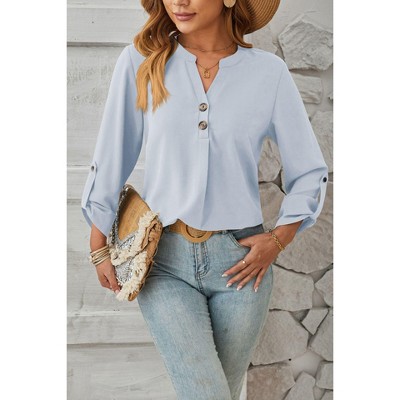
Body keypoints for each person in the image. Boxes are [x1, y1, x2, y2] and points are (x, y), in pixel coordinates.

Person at [81, 0, 328, 399]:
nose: (179, 2)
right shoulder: (140, 62)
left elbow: (310, 171)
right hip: (163, 263)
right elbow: (111, 157)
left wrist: (278, 239)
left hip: (242, 266)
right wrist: (98, 243)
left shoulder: (269, 74)